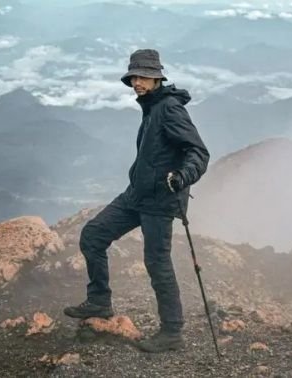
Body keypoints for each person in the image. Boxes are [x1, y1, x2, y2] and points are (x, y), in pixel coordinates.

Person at [64, 49, 210, 353]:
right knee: (93, 235)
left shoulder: (169, 108)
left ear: (157, 78)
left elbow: (198, 152)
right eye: (134, 77)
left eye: (143, 77)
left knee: (157, 264)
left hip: (160, 201)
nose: (137, 83)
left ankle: (172, 332)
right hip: (137, 195)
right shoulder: (152, 106)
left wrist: (183, 177)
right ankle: (100, 301)